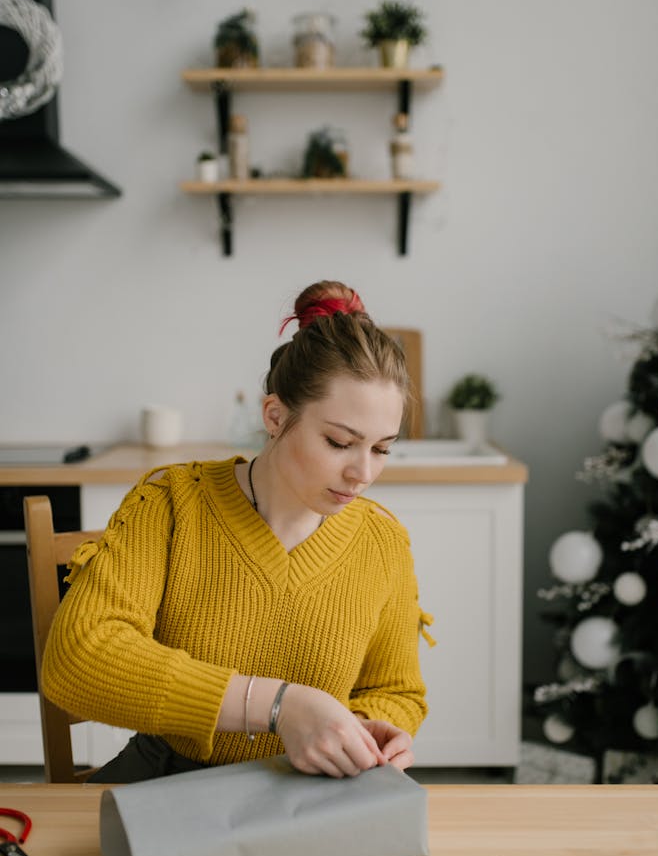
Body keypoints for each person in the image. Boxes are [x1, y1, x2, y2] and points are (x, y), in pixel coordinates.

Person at [41, 281, 434, 783]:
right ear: (275, 416)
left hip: (308, 790)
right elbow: (79, 658)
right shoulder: (171, 502)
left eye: (381, 449)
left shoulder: (382, 541)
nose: (364, 473)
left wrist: (363, 732)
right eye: (339, 442)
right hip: (165, 781)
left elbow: (397, 690)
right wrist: (277, 706)